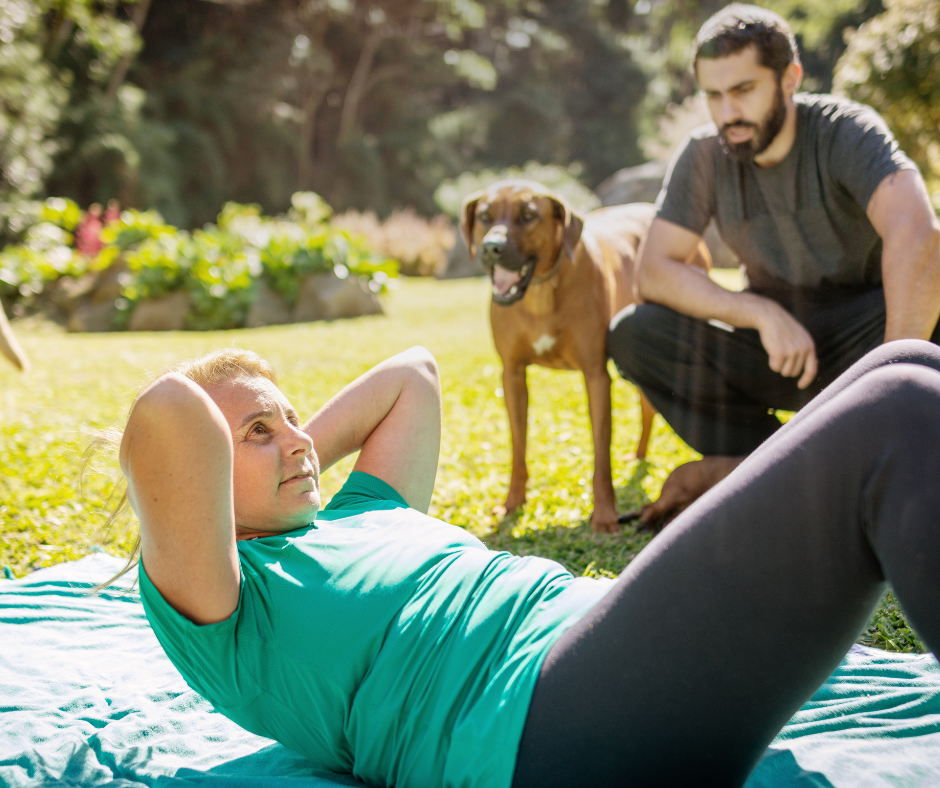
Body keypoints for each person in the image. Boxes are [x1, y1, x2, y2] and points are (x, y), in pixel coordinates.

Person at [112, 340, 940, 788]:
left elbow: (414, 373)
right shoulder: (223, 600)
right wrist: (240, 469)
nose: (297, 436)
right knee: (894, 414)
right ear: (202, 476)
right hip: (538, 728)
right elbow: (168, 412)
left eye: (296, 420)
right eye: (257, 432)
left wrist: (287, 453)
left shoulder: (362, 509)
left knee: (902, 367)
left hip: (605, 648)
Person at [606, 4, 940, 524]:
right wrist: (759, 314)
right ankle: (780, 466)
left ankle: (873, 446)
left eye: (742, 91)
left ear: (790, 78)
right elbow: (654, 271)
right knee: (636, 331)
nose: (727, 114)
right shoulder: (702, 155)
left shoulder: (845, 131)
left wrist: (889, 377)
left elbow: (917, 234)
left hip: (870, 334)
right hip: (779, 349)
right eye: (713, 96)